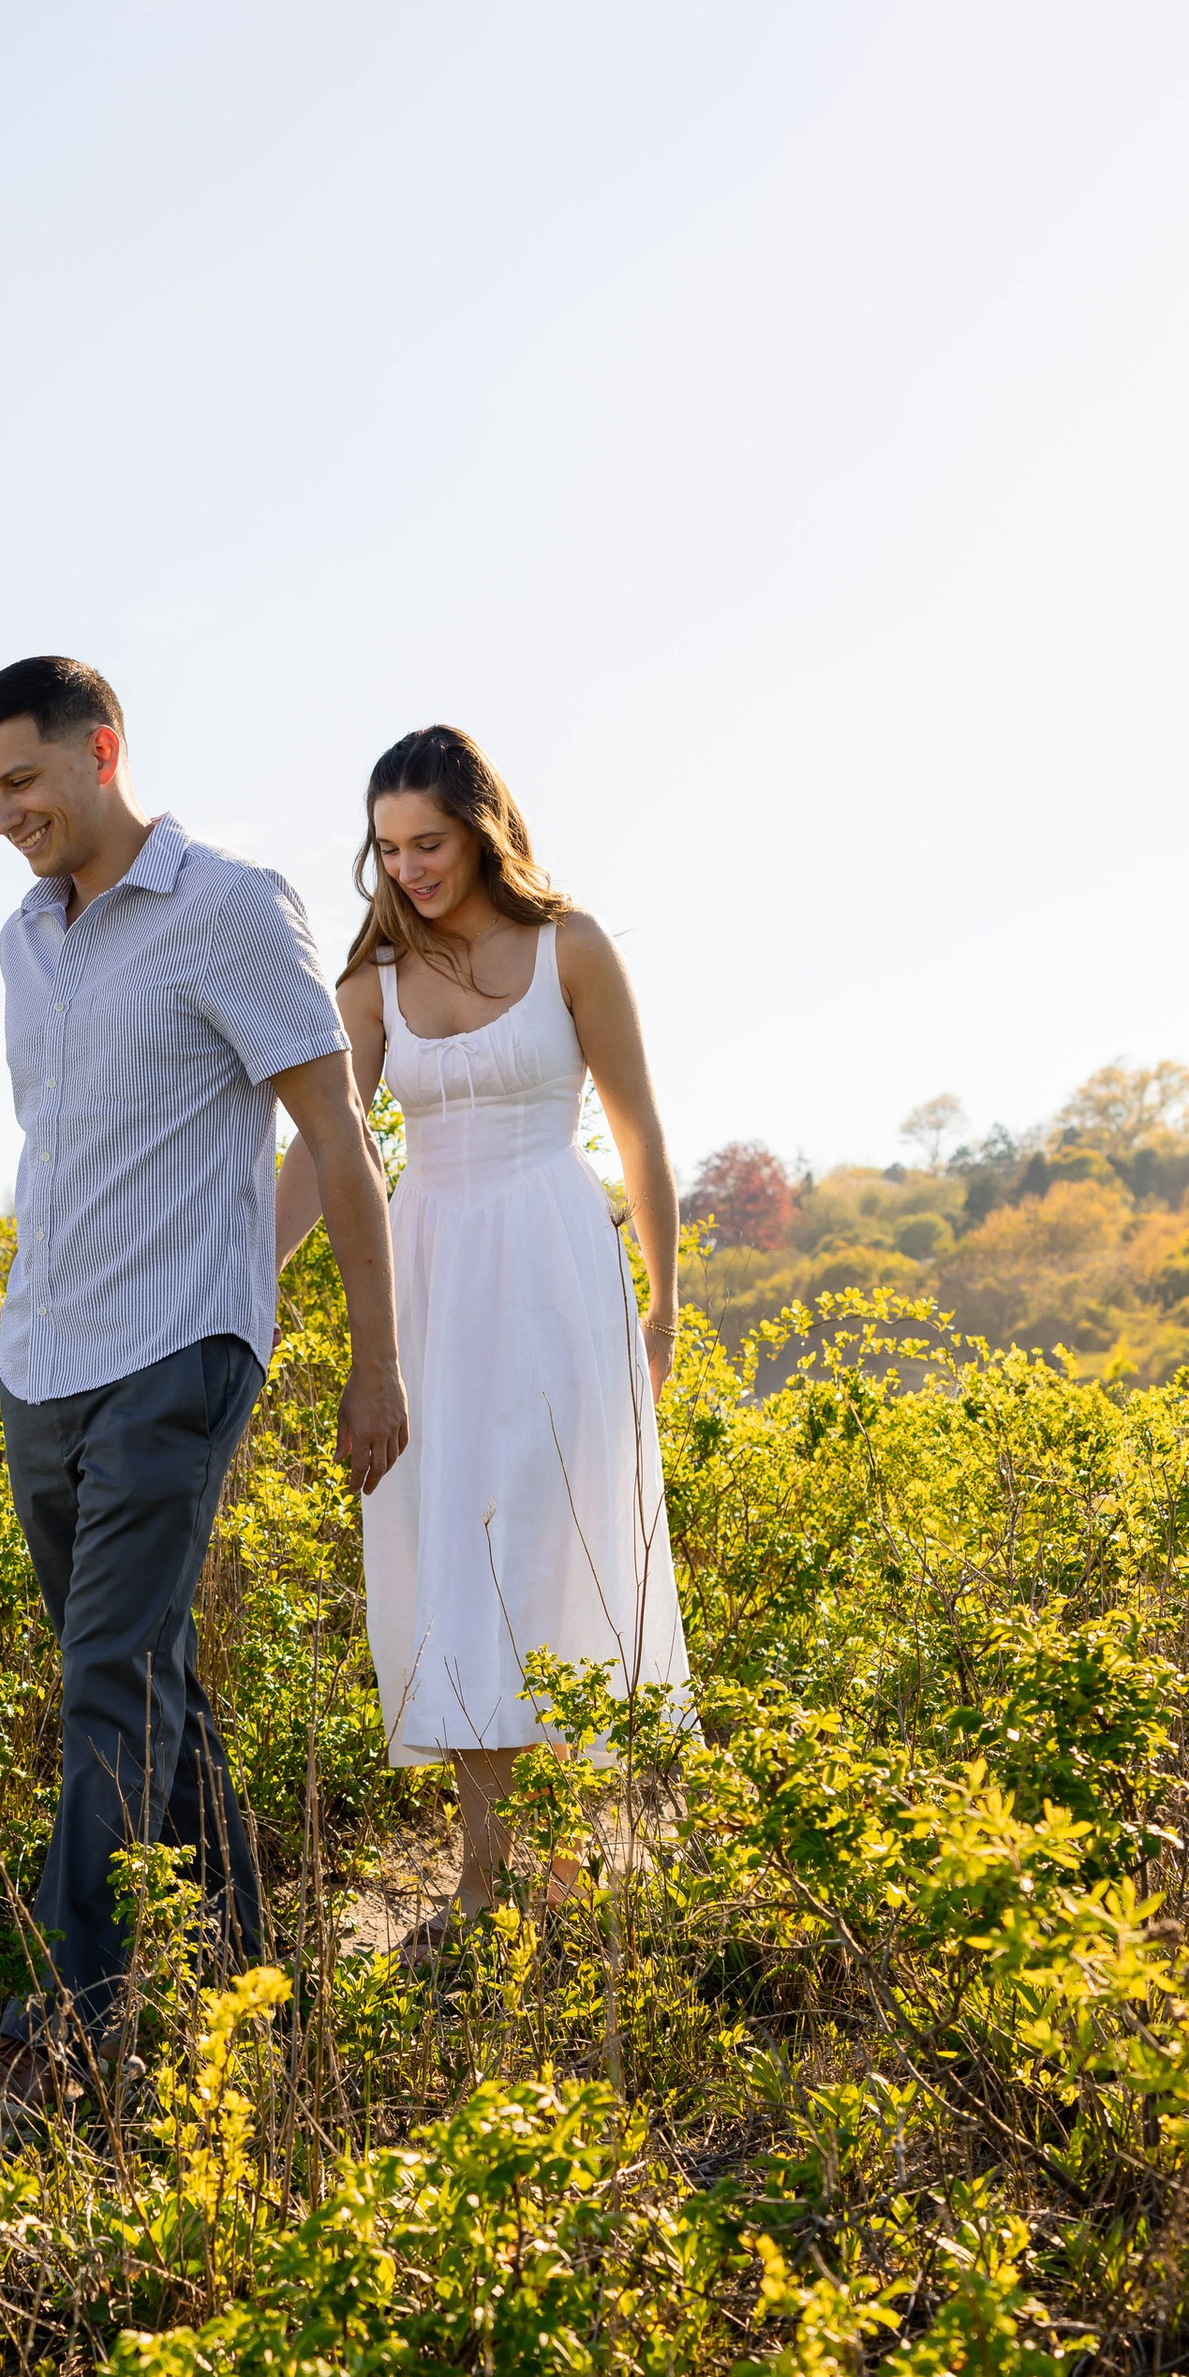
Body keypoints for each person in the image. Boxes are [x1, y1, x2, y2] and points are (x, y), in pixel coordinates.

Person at [0, 654, 406, 2076]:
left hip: (183, 1346)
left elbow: (336, 1135)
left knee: (102, 1676)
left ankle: (72, 2015)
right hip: (47, 1355)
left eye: (21, 779)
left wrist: (373, 1366)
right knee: (145, 1669)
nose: (5, 814)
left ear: (102, 752)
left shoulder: (227, 907)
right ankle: (254, 1978)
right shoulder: (22, 943)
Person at [274, 722, 690, 1918]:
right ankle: (479, 1868)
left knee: (553, 1536)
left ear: (482, 830)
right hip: (431, 1274)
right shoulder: (371, 985)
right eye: (388, 847)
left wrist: (662, 1310)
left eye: (429, 841)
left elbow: (639, 1130)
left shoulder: (571, 949)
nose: (407, 867)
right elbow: (324, 1151)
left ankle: (561, 1859)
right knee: (453, 1543)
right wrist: (246, 1277)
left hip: (558, 1262)